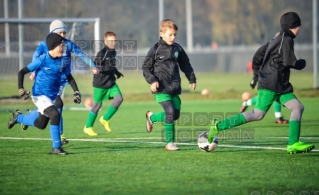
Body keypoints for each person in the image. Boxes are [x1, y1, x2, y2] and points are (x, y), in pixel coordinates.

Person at [208, 12, 314, 154]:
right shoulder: (286, 38)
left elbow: (259, 54)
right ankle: (219, 126)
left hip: (279, 84)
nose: (299, 28)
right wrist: (301, 63)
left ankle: (293, 143)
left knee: (297, 107)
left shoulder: (278, 38)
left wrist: (257, 75)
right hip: (272, 82)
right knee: (258, 114)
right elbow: (290, 62)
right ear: (292, 26)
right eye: (298, 25)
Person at [21, 19, 99, 145]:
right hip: (50, 83)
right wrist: (34, 72)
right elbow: (36, 56)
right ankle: (60, 137)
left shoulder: (68, 44)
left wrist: (93, 66)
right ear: (52, 33)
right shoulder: (45, 44)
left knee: (53, 110)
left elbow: (81, 54)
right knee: (58, 105)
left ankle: (28, 116)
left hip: (63, 80)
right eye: (59, 33)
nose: (62, 36)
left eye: (64, 33)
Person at [8, 33, 81, 155]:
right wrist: (21, 89)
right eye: (61, 46)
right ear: (53, 46)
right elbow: (21, 72)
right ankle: (56, 147)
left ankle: (18, 117)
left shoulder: (63, 60)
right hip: (39, 95)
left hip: (51, 97)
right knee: (55, 114)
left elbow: (69, 76)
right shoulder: (42, 60)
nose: (63, 49)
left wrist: (76, 91)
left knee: (41, 125)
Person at [142, 19, 196, 151]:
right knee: (170, 112)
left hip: (174, 88)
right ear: (162, 34)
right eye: (170, 34)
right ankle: (169, 143)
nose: (173, 37)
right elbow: (145, 67)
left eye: (174, 35)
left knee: (175, 115)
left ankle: (152, 118)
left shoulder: (178, 48)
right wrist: (153, 80)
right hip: (160, 88)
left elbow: (185, 64)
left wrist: (191, 78)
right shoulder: (156, 49)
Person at [240, 32, 288, 124]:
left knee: (269, 96)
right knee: (272, 95)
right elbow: (257, 60)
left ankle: (247, 103)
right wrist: (255, 77)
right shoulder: (269, 48)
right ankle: (279, 118)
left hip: (273, 77)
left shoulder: (280, 48)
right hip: (267, 77)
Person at [83, 31, 124, 136]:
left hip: (111, 83)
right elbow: (97, 66)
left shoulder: (113, 52)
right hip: (100, 83)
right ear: (105, 41)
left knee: (119, 99)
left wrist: (117, 73)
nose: (114, 43)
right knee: (97, 105)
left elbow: (112, 66)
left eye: (115, 41)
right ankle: (88, 127)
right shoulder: (102, 53)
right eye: (111, 41)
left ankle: (105, 119)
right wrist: (104, 68)